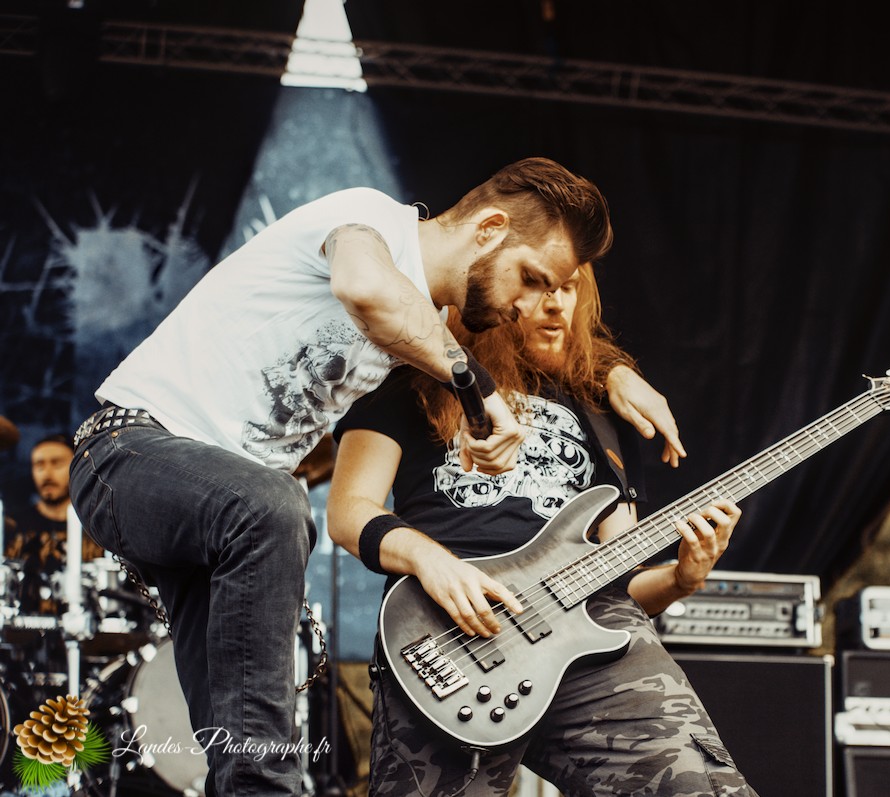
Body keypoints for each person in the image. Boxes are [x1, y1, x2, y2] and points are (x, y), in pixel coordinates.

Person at [69, 158, 679, 796]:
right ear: (490, 228)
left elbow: (540, 347)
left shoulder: (427, 327)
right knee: (275, 505)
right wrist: (476, 389)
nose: (525, 306)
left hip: (220, 518)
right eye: (528, 279)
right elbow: (367, 288)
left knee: (239, 747)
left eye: (549, 289)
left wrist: (610, 371)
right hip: (125, 453)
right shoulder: (368, 220)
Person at [328, 264, 758, 796]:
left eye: (569, 288)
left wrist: (681, 579)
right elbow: (347, 511)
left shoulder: (602, 411)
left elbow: (621, 580)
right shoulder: (411, 381)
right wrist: (429, 560)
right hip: (449, 629)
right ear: (485, 294)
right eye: (538, 286)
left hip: (594, 641)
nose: (557, 304)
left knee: (702, 787)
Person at [3, 433, 104, 614]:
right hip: (20, 626)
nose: (47, 474)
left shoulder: (100, 525)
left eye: (56, 463)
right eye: (39, 465)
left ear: (77, 466)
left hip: (86, 625)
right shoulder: (11, 525)